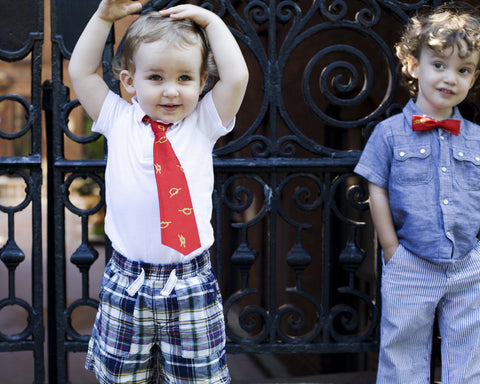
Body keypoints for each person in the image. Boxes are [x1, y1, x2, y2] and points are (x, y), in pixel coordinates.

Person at [69, 0, 248, 382]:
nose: (171, 91)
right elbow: (82, 71)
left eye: (185, 78)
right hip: (127, 281)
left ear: (202, 84)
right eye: (156, 77)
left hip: (190, 281)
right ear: (129, 82)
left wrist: (213, 23)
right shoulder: (118, 119)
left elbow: (236, 78)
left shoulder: (204, 122)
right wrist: (103, 18)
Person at [354, 3, 480, 383]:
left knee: (468, 354)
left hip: (467, 264)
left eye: (463, 70)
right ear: (413, 65)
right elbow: (375, 186)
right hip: (411, 262)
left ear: (473, 78)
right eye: (438, 65)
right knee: (403, 355)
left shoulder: (476, 138)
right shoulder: (390, 133)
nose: (450, 78)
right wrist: (391, 248)